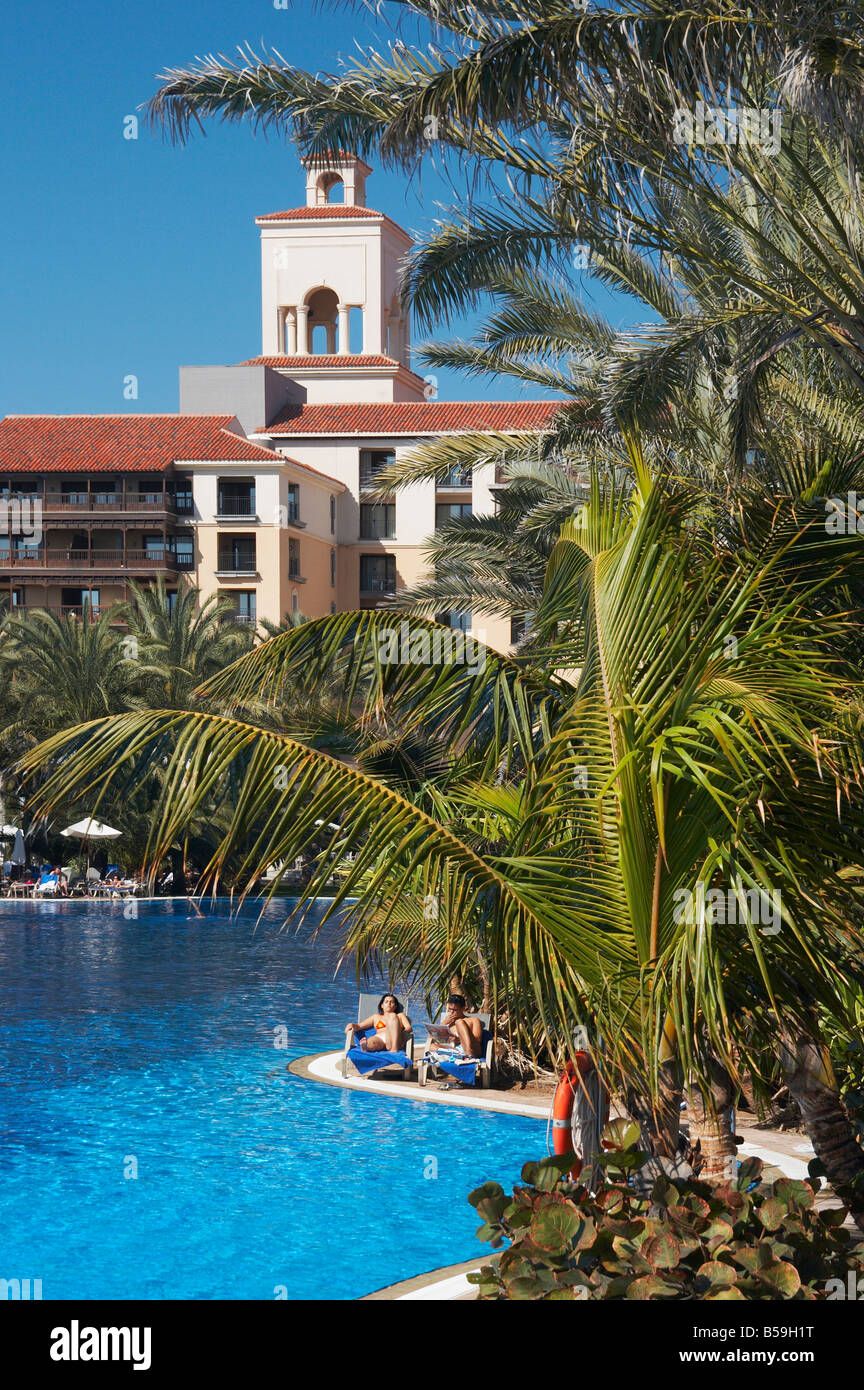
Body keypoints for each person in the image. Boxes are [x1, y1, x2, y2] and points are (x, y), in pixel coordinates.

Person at [344, 993, 411, 1055]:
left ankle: (394, 1049)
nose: (389, 1003)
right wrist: (351, 1025)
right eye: (386, 1002)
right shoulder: (375, 1017)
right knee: (371, 1042)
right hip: (379, 1039)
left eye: (392, 1002)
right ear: (382, 1005)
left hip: (394, 1039)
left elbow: (408, 1027)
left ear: (395, 1006)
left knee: (392, 1016)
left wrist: (402, 1033)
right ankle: (366, 1046)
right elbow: (359, 1026)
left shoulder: (400, 1015)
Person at [431, 994, 484, 1058]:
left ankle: (467, 1054)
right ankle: (458, 1055)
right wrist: (444, 1023)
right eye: (450, 1009)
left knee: (459, 1022)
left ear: (463, 1008)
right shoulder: (448, 1022)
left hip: (472, 1051)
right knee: (432, 1047)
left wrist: (459, 1040)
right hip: (456, 1050)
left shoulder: (473, 1020)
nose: (451, 1012)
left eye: (455, 1010)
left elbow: (478, 1040)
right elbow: (431, 1037)